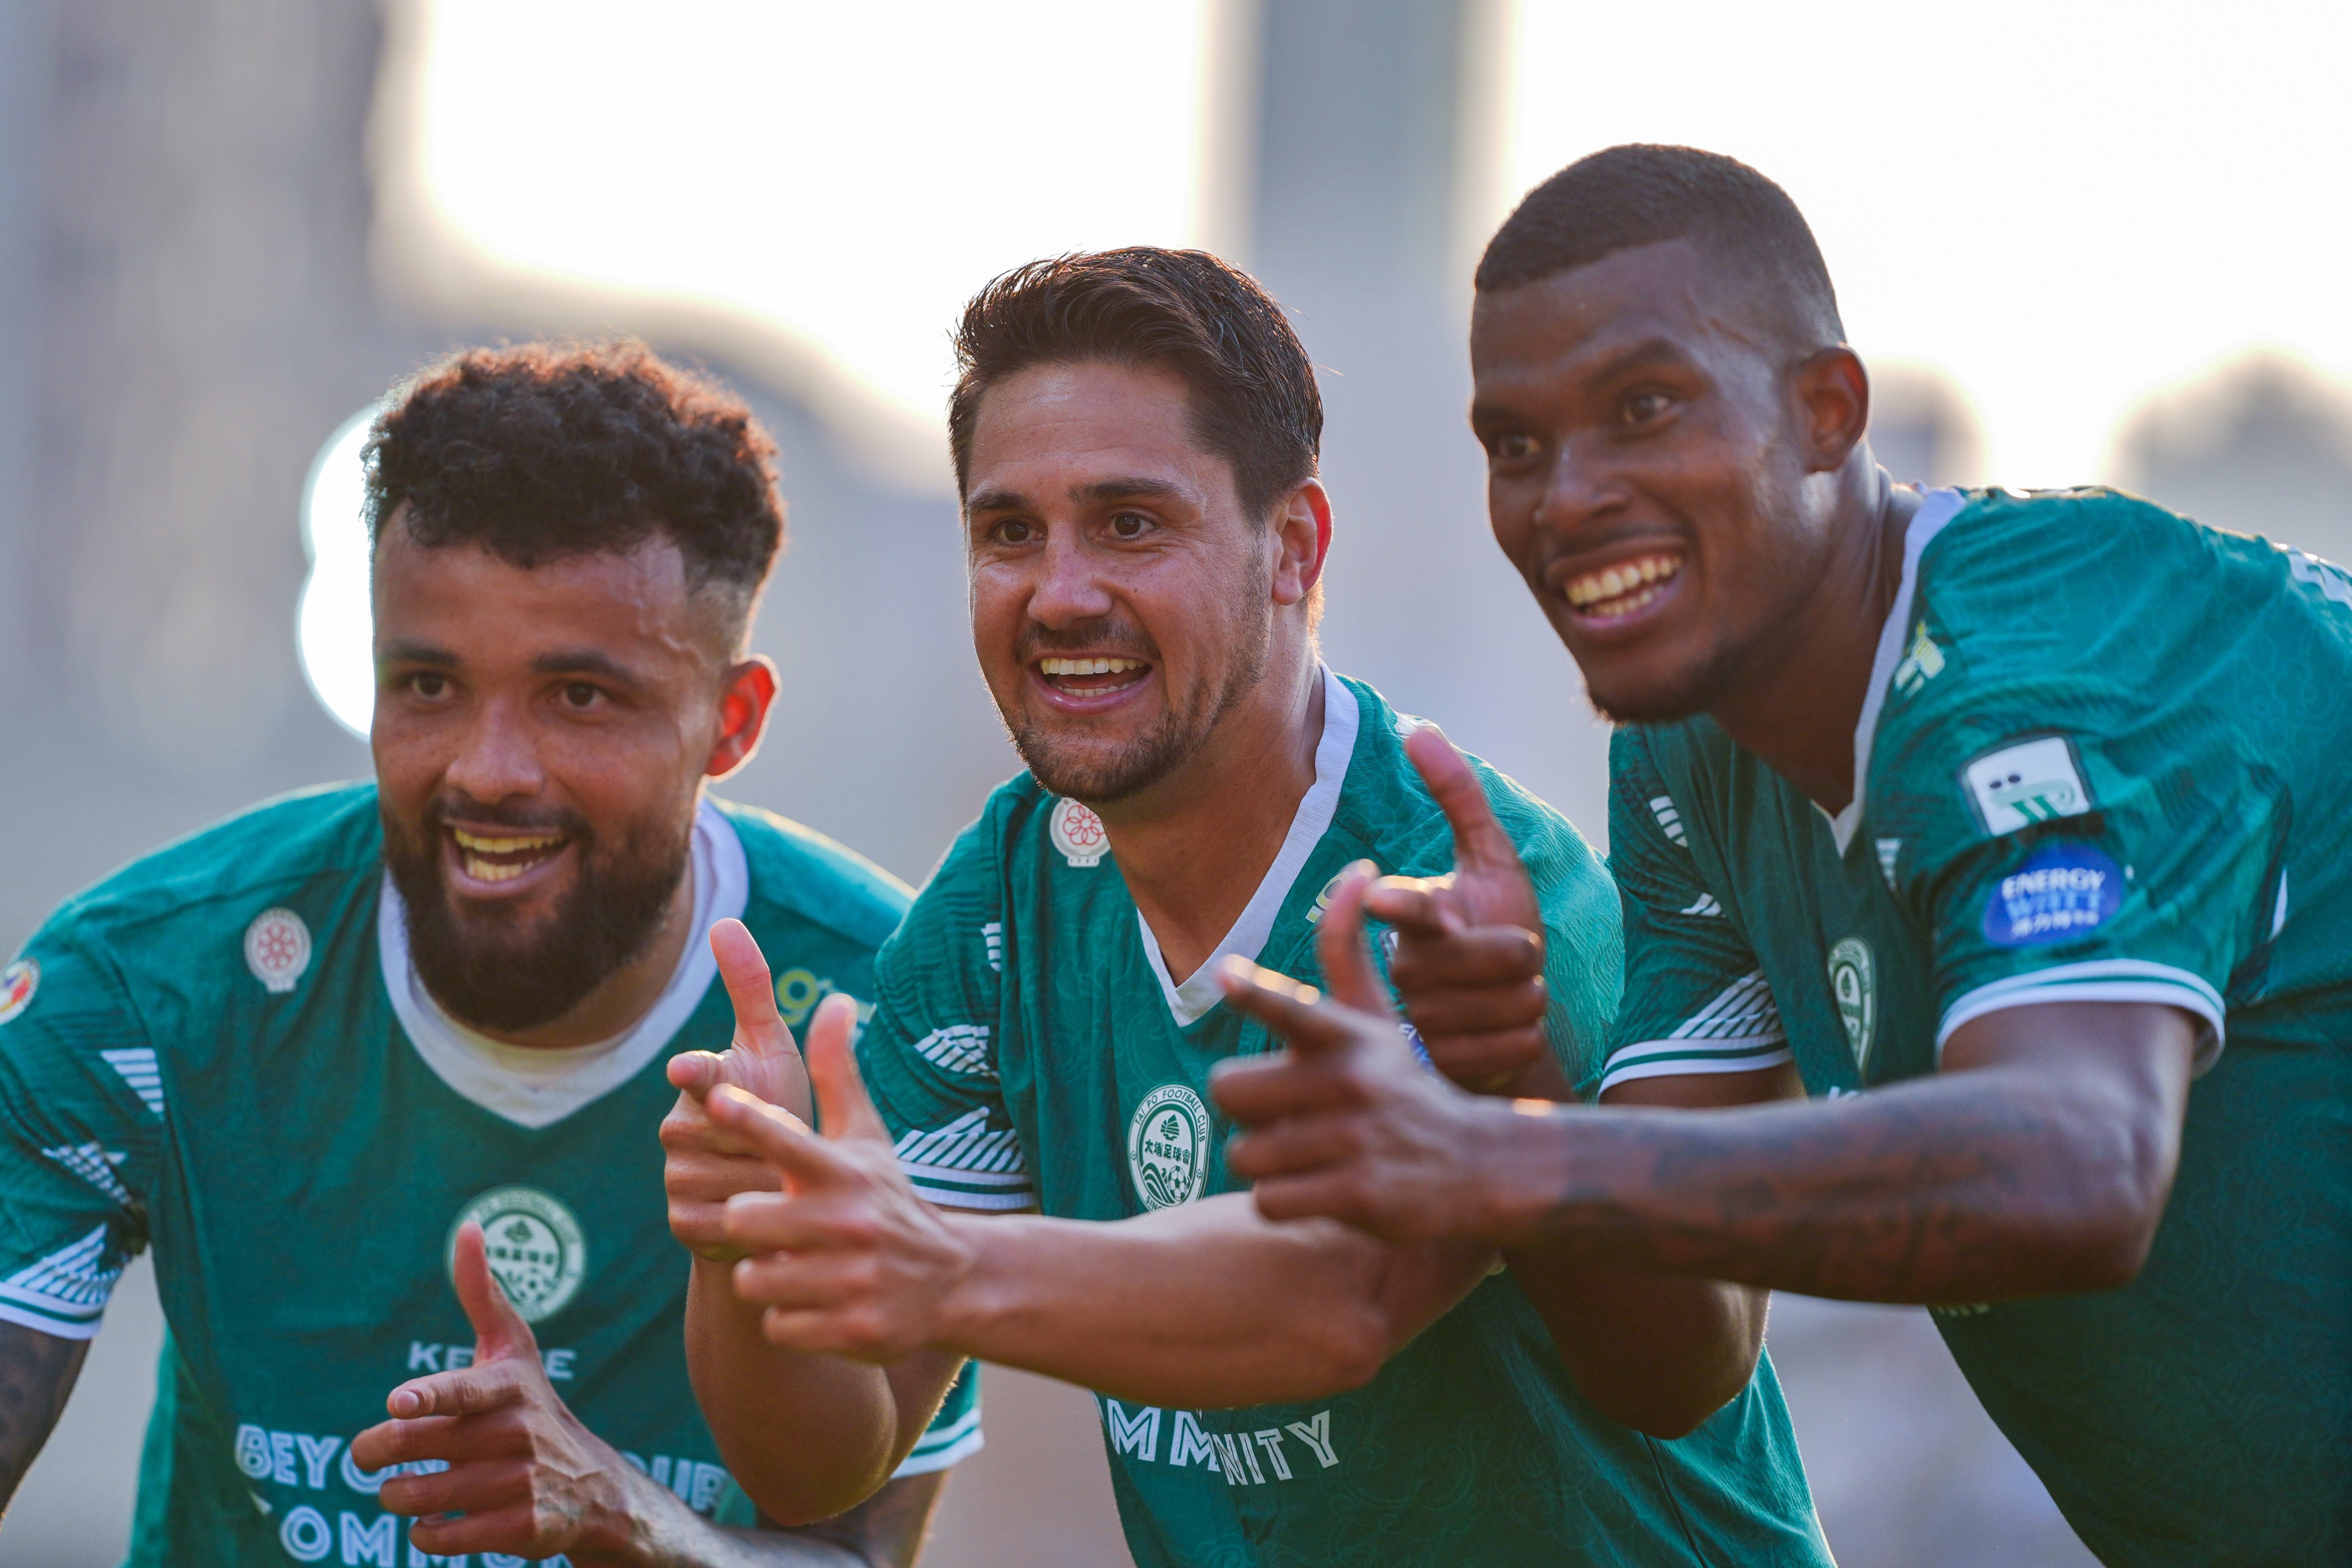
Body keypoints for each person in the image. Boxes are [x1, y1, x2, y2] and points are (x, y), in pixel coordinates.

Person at [1207, 145, 2352, 1566]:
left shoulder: (2045, 674)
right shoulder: (1693, 748)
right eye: (1516, 446)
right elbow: (1673, 1359)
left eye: (1642, 409)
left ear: (1826, 412)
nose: (1565, 498)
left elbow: (2071, 1174)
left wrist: (1493, 1163)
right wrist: (1514, 1078)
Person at [670, 248, 1833, 1567]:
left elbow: (1331, 1299)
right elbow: (822, 1461)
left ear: (1292, 548)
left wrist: (935, 1269)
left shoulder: (1466, 890)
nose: (1059, 594)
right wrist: (743, 1241)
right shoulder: (1006, 893)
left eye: (1128, 524)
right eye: (1009, 534)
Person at [0, 342, 978, 1566]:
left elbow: (860, 1552)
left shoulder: (895, 1021)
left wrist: (630, 1523)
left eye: (578, 697)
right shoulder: (147, 987)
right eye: (428, 685)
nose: (487, 770)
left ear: (730, 723)